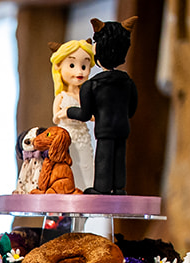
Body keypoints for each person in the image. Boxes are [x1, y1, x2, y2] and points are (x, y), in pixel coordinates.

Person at [66, 17, 140, 195]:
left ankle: (102, 187)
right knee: (119, 158)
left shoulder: (92, 85)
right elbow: (132, 108)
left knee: (104, 158)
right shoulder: (128, 82)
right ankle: (119, 187)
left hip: (105, 129)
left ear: (97, 49)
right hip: (122, 127)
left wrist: (70, 111)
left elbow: (84, 114)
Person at [49, 38, 97, 191]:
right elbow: (55, 118)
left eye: (84, 66)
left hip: (83, 136)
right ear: (59, 67)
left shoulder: (86, 96)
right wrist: (64, 114)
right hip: (68, 137)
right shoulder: (62, 96)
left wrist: (87, 115)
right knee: (71, 165)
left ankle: (87, 189)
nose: (79, 71)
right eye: (72, 65)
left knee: (86, 164)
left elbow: (94, 116)